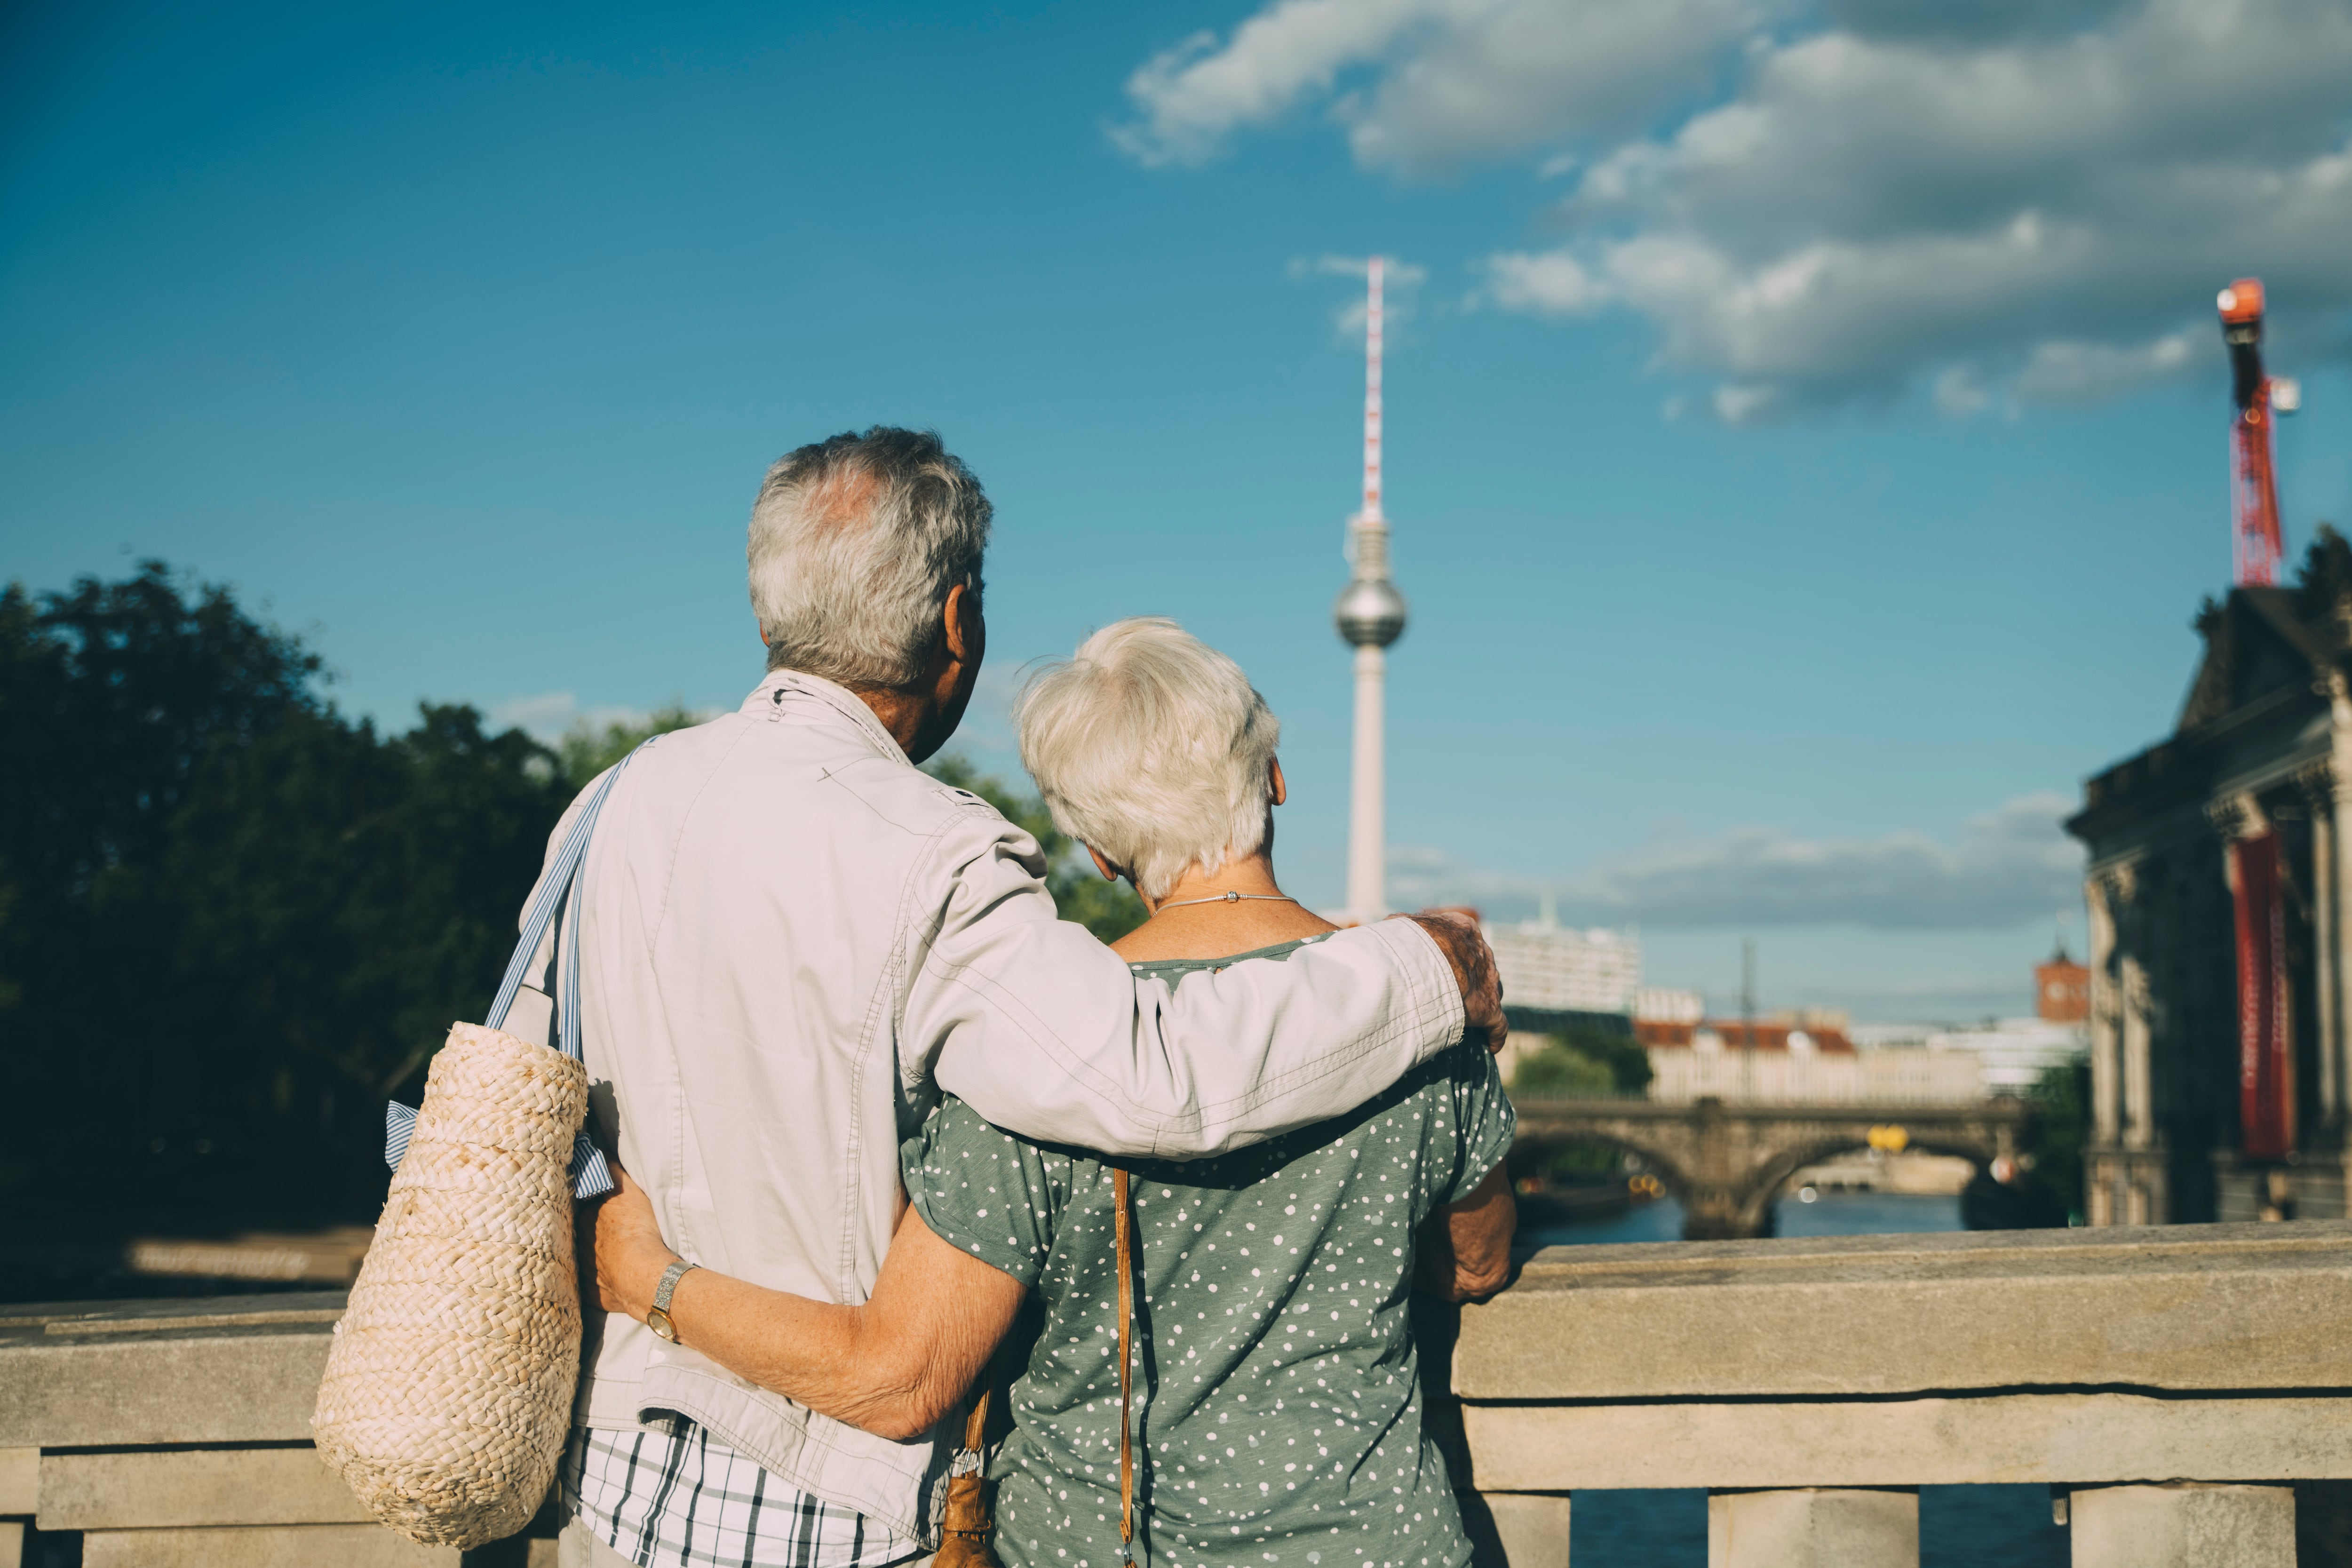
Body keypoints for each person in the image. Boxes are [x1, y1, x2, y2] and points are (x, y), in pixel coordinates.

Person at [530, 429, 1507, 1568]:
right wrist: (1425, 964)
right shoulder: (936, 857)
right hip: (833, 1502)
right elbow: (1150, 1075)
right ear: (957, 621)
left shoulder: (612, 800)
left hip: (625, 1476)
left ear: (768, 609)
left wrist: (642, 1268)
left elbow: (539, 1081)